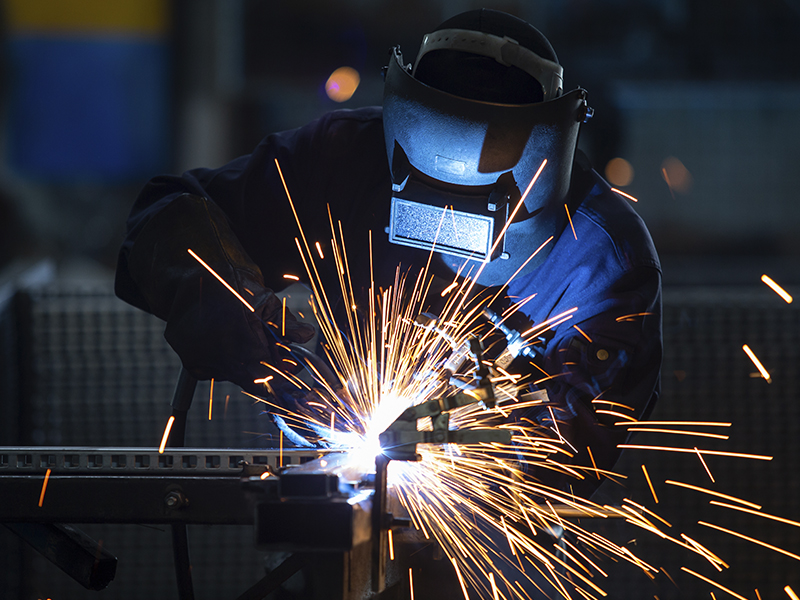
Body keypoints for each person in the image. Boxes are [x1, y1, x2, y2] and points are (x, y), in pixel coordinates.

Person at [115, 9, 661, 501]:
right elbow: (168, 213)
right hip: (331, 500)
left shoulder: (601, 257)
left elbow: (581, 443)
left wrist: (468, 423)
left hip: (500, 545)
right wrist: (226, 303)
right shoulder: (340, 160)